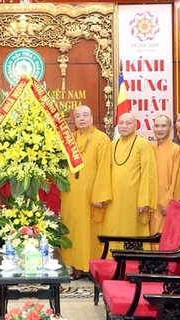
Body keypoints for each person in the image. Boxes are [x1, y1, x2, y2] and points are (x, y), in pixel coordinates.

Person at [60, 105, 112, 280]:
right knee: (73, 228)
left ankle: (91, 266)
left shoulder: (101, 139)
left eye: (85, 115)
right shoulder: (70, 139)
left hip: (91, 194)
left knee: (90, 231)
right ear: (73, 119)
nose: (81, 119)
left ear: (91, 117)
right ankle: (75, 265)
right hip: (71, 193)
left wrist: (100, 195)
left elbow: (105, 168)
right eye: (77, 116)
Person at [104, 113, 158, 252]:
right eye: (121, 123)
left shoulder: (143, 144)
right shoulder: (112, 144)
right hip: (114, 199)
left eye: (128, 123)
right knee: (114, 229)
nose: (124, 126)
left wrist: (144, 200)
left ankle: (134, 265)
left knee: (133, 231)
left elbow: (149, 173)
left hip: (134, 200)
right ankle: (113, 261)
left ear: (136, 125)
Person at [152, 115, 180, 247]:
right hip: (150, 201)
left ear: (170, 128)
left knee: (162, 237)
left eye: (163, 126)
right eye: (157, 126)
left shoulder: (176, 149)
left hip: (164, 201)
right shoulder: (150, 148)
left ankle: (160, 267)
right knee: (150, 236)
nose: (159, 129)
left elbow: (176, 178)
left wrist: (168, 201)